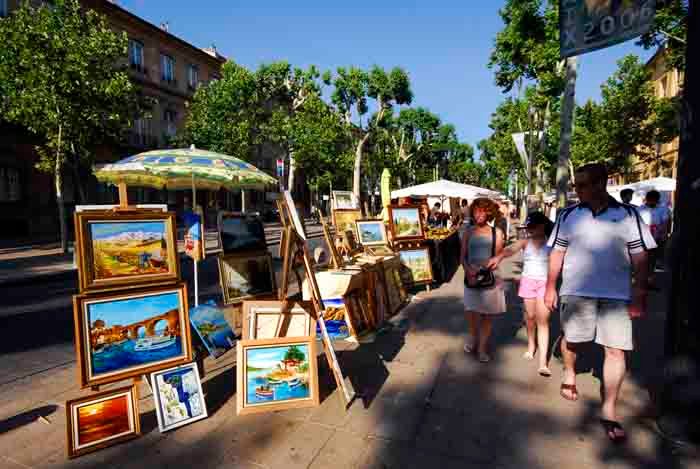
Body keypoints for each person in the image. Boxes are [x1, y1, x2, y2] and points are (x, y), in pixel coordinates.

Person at [544, 162, 656, 444]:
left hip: (616, 296)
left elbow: (641, 257)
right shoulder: (568, 215)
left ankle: (609, 409)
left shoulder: (628, 215)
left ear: (600, 183)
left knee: (616, 352)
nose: (577, 190)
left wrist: (640, 292)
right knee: (573, 342)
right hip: (576, 292)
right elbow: (556, 253)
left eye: (582, 185)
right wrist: (549, 287)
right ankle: (570, 371)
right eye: (576, 185)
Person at [488, 211, 554, 376]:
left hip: (545, 284)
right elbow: (511, 249)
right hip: (528, 283)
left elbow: (561, 263)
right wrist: (499, 257)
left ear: (542, 226)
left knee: (543, 321)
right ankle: (532, 345)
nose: (529, 230)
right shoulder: (526, 242)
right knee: (530, 317)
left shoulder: (552, 243)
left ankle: (543, 363)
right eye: (528, 227)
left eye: (532, 227)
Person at [461, 198, 506, 363]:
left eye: (482, 211)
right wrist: (468, 270)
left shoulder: (497, 233)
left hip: (489, 278)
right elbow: (463, 257)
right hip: (471, 276)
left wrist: (486, 268)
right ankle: (473, 337)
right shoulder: (468, 232)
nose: (478, 214)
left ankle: (482, 348)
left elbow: (497, 257)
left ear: (489, 213)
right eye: (475, 211)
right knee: (471, 311)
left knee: (487, 316)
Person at [638, 190, 672, 286]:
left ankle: (650, 280)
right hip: (642, 238)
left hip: (655, 238)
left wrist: (664, 234)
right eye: (650, 201)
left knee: (652, 260)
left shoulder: (663, 209)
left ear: (657, 200)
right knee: (642, 260)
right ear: (647, 200)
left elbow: (665, 222)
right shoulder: (640, 209)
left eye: (654, 201)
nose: (651, 203)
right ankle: (642, 280)